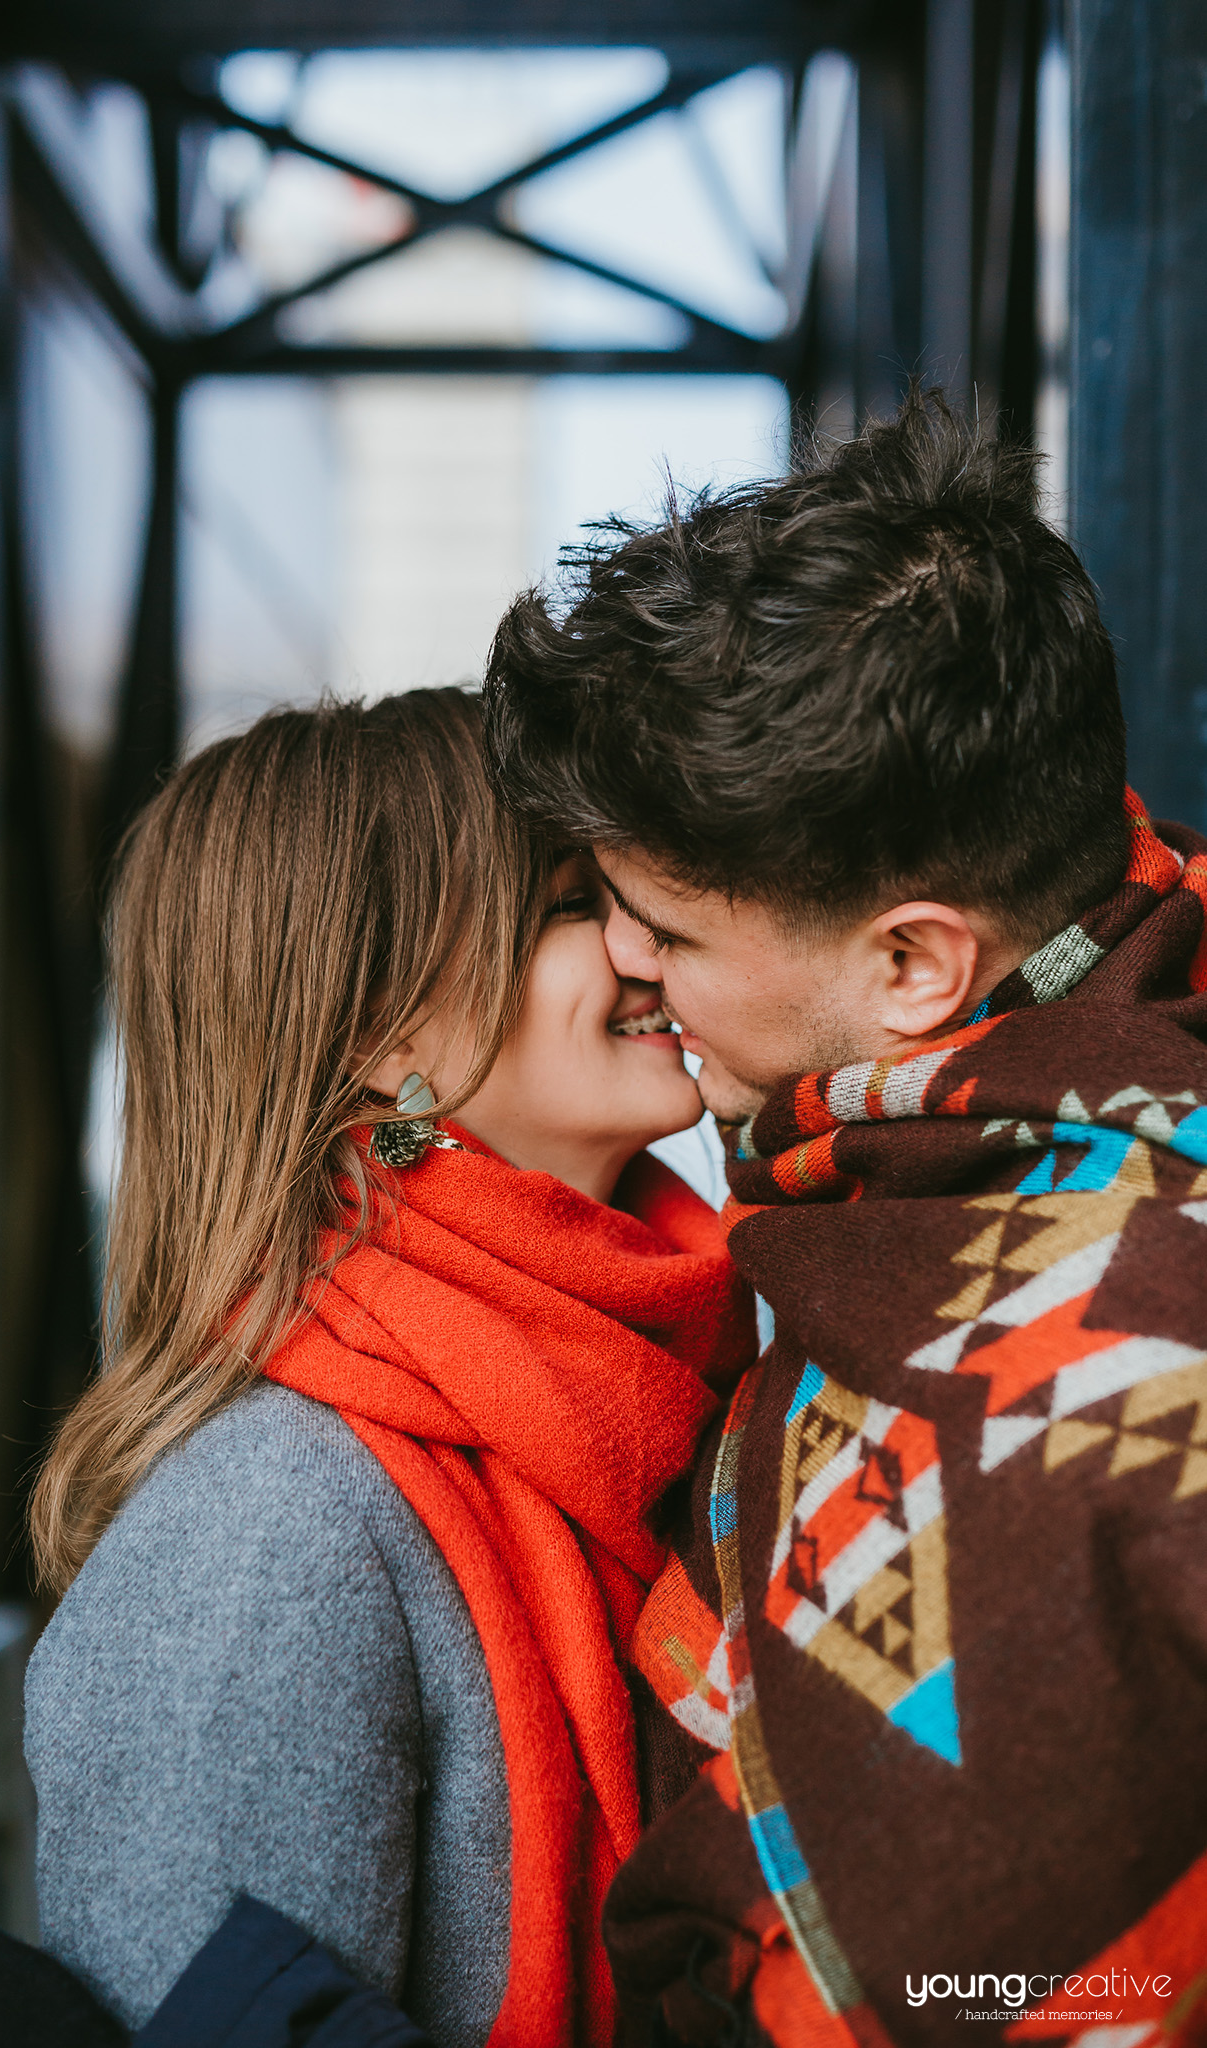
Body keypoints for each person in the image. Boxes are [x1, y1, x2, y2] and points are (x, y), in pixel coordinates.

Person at [484, 389, 1207, 2046]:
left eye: (660, 922)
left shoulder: (1120, 1348)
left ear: (911, 966)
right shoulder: (932, 1171)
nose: (619, 961)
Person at [23, 688, 753, 2048]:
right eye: (562, 907)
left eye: (630, 894)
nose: (644, 945)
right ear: (380, 1040)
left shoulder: (675, 1400)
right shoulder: (265, 1521)